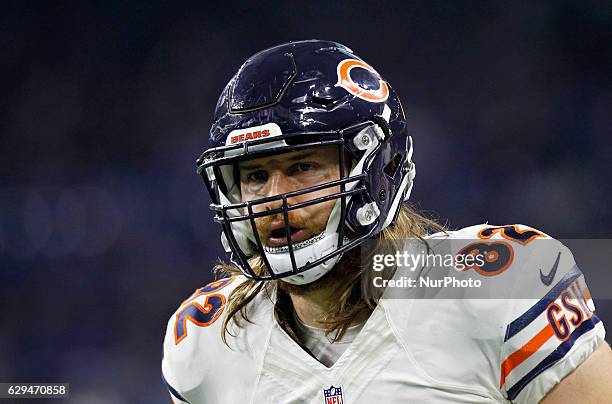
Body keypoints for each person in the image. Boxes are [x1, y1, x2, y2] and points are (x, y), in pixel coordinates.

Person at [161, 40, 611, 403]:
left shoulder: (499, 286)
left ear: (379, 169)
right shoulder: (207, 344)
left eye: (303, 167)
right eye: (256, 176)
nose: (275, 198)